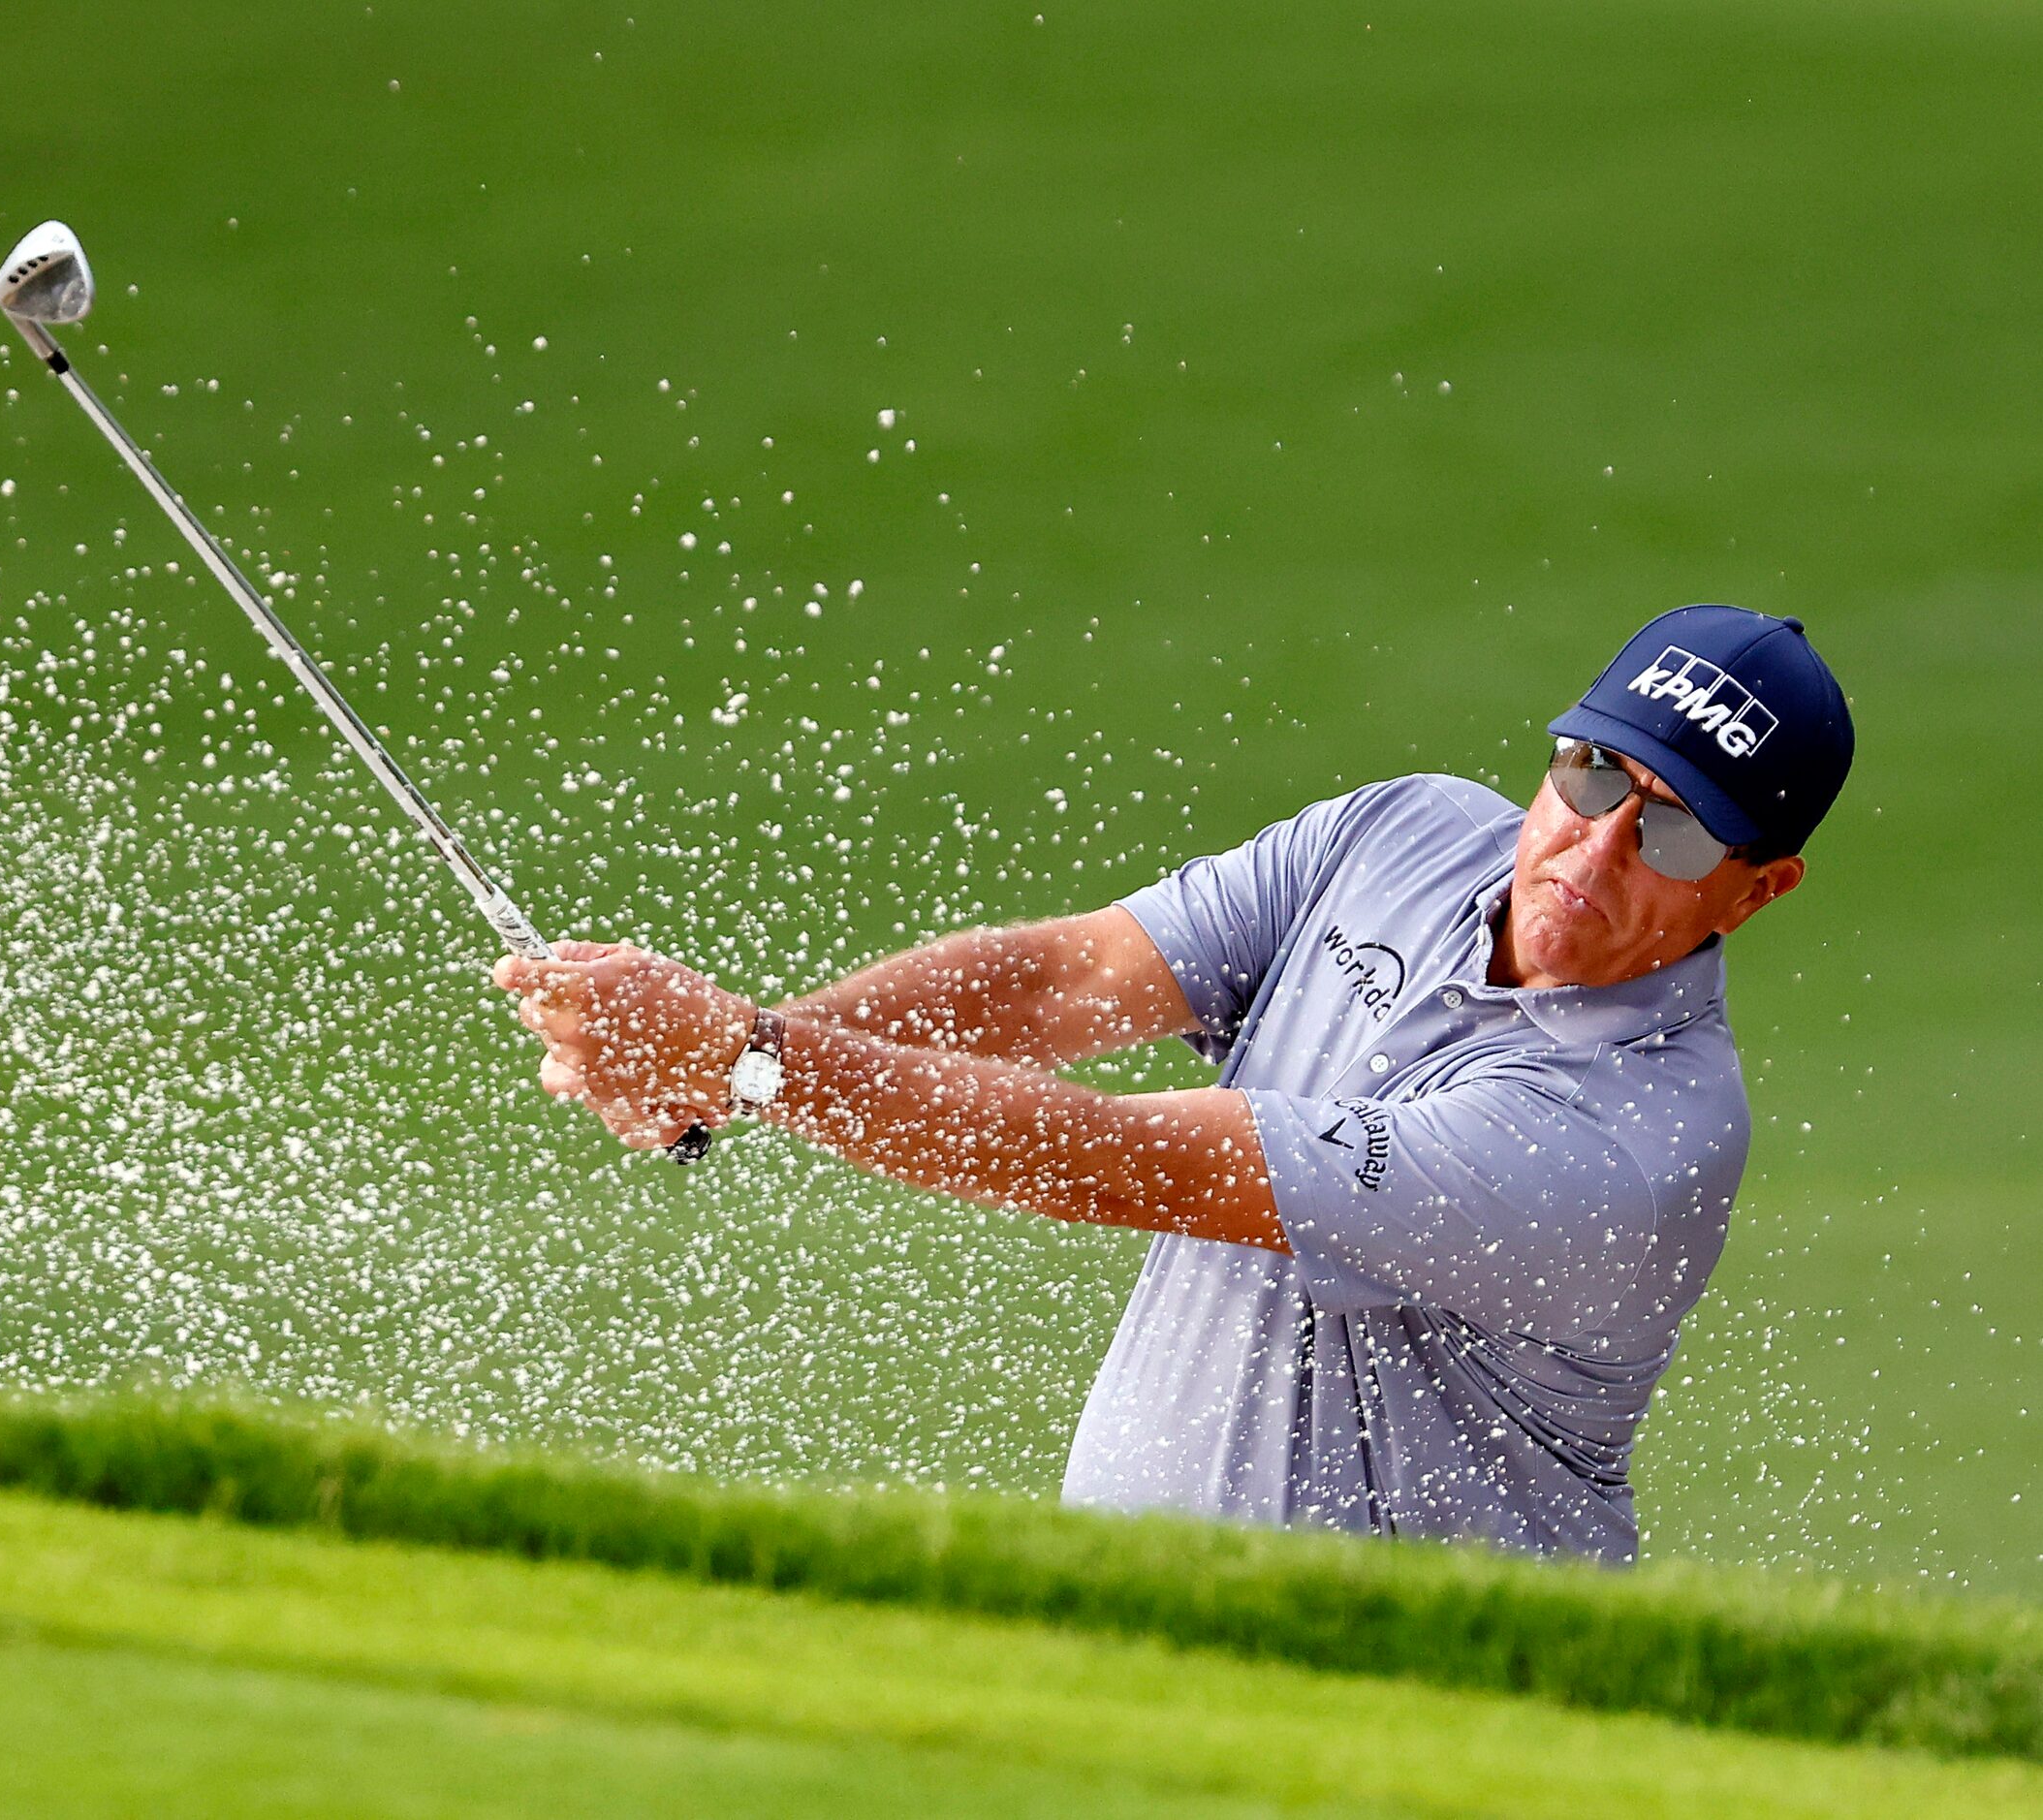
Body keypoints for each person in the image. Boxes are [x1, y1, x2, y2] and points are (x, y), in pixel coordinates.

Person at [495, 605, 1854, 1562]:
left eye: (1670, 828)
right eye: (1586, 772)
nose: (1592, 846)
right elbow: (1059, 979)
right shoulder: (1404, 831)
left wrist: (748, 1053)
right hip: (1148, 1646)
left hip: (1418, 1713)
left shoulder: (1636, 1134)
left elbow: (1115, 1160)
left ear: (1759, 887)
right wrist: (727, 1063)